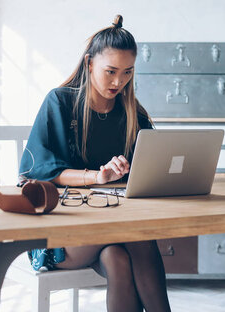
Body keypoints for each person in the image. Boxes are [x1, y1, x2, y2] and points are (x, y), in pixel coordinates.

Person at [19, 15, 171, 312]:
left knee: (118, 258)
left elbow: (151, 166)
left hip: (112, 228)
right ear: (89, 64)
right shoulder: (60, 102)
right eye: (110, 71)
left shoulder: (132, 114)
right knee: (136, 235)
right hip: (61, 234)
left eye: (127, 73)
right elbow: (37, 172)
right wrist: (97, 177)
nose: (119, 82)